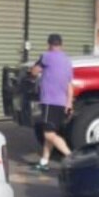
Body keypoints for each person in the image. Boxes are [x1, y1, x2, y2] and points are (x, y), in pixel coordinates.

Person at [29, 34, 74, 172]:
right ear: (61, 44)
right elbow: (69, 84)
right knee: (50, 132)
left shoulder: (46, 56)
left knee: (49, 135)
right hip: (62, 102)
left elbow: (34, 71)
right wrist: (69, 102)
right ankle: (44, 161)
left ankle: (72, 157)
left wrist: (33, 71)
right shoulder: (67, 61)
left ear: (49, 44)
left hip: (49, 101)